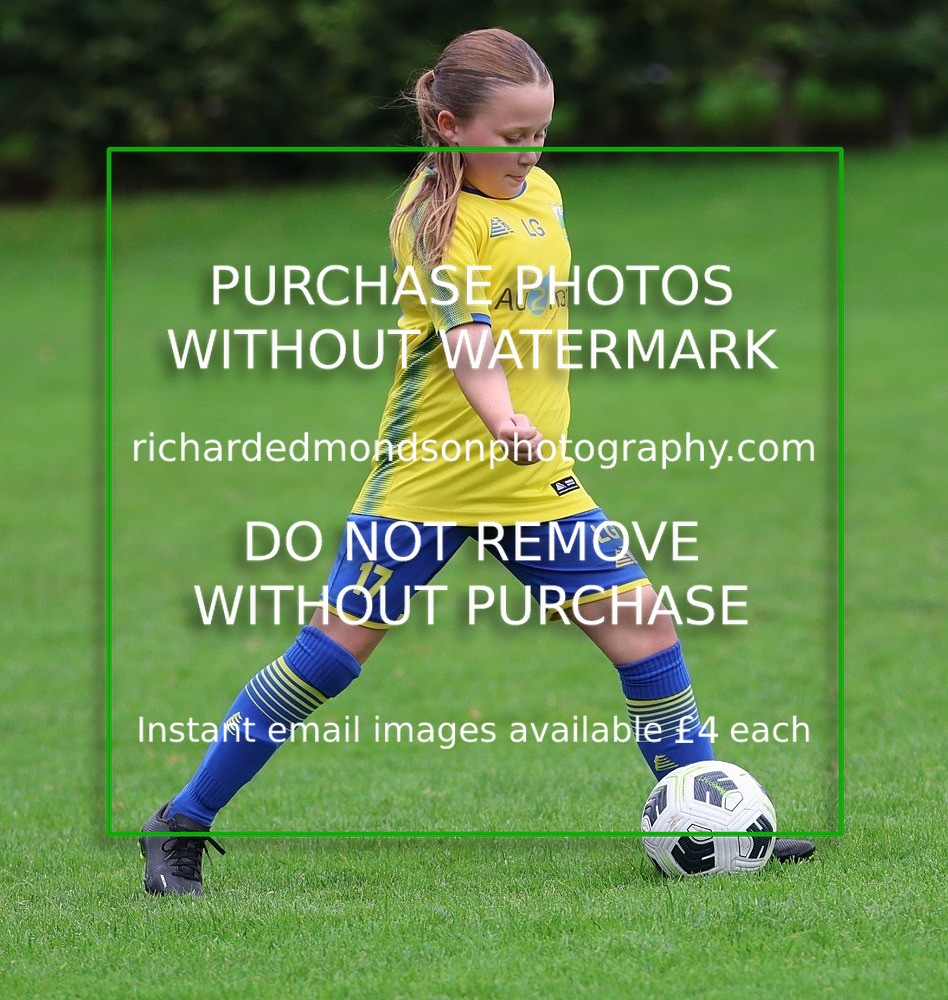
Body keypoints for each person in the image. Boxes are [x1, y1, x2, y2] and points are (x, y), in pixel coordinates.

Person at [140, 27, 814, 895]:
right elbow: (468, 340)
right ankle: (182, 822)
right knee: (330, 656)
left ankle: (708, 823)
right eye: (513, 136)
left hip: (530, 478)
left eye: (541, 133)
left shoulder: (544, 194)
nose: (531, 153)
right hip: (429, 478)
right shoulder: (431, 221)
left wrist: (527, 427)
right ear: (451, 125)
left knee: (645, 627)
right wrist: (502, 416)